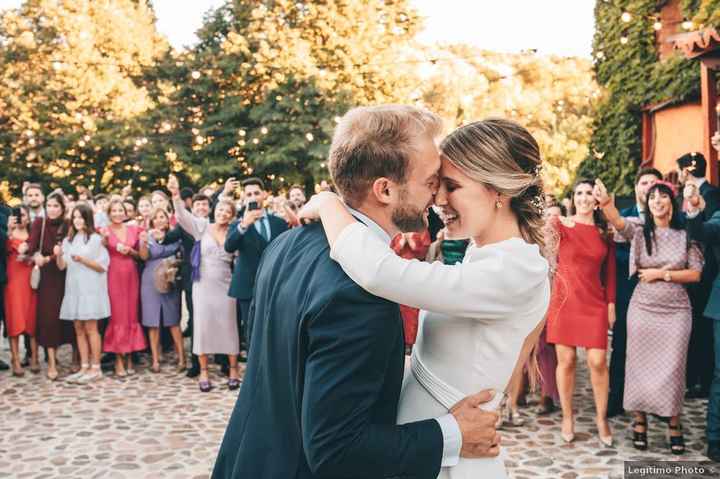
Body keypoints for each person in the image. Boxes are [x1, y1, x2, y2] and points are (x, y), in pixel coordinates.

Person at [213, 107, 515, 479]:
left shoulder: (287, 244)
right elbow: (337, 451)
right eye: (430, 181)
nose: (437, 195)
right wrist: (453, 434)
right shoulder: (358, 296)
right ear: (385, 189)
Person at [596, 179, 702, 455]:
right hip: (643, 309)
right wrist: (606, 203)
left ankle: (673, 424)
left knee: (673, 368)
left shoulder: (686, 233)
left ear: (671, 202)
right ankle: (639, 421)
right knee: (639, 366)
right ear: (648, 203)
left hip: (676, 310)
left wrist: (661, 274)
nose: (657, 201)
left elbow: (695, 273)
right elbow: (619, 223)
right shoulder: (641, 232)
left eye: (663, 196)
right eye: (652, 197)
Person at [546, 179, 616, 447]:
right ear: (573, 198)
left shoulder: (603, 231)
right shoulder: (559, 225)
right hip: (564, 303)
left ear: (596, 199)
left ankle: (601, 419)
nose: (584, 197)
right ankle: (567, 417)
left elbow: (609, 272)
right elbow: (545, 255)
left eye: (589, 193)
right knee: (567, 362)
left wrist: (611, 304)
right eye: (579, 193)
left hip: (594, 303)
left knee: (598, 361)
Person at [168, 175, 240, 392]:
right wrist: (175, 195)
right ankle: (204, 371)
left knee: (229, 326)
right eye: (220, 210)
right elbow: (182, 216)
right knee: (202, 326)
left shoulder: (234, 232)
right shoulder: (201, 227)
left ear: (231, 216)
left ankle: (234, 369)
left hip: (226, 284)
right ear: (214, 211)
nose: (222, 214)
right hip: (203, 285)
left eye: (227, 212)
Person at [608, 167, 662, 417]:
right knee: (621, 346)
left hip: (659, 296)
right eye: (644, 182)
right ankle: (616, 398)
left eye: (653, 182)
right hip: (627, 293)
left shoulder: (671, 220)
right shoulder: (622, 218)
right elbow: (613, 255)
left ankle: (657, 403)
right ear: (637, 188)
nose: (648, 186)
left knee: (658, 351)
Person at [225, 177, 288, 361]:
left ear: (264, 195)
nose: (253, 197)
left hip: (276, 284)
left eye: (256, 193)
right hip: (247, 286)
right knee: (251, 330)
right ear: (244, 198)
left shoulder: (279, 223)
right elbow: (229, 247)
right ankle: (255, 370)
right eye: (249, 194)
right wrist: (245, 225)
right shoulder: (237, 224)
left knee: (276, 328)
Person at [677, 152, 720, 399]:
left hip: (705, 272)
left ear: (687, 171)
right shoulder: (681, 194)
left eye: (681, 170)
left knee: (702, 330)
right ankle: (692, 378)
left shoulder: (711, 194)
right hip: (684, 267)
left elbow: (708, 233)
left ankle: (702, 382)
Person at [57, 203, 110, 383]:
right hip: (74, 288)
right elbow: (62, 265)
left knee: (91, 328)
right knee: (78, 328)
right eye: (75, 217)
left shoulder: (96, 239)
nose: (77, 220)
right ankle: (84, 366)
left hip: (91, 288)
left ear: (87, 218)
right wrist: (58, 255)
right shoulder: (68, 240)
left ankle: (96, 367)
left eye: (80, 217)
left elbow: (102, 266)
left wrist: (83, 259)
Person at [163, 193, 211, 378]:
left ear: (209, 207)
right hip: (193, 276)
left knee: (216, 317)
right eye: (198, 204)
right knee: (195, 319)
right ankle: (196, 362)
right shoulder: (185, 225)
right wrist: (160, 234)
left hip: (215, 277)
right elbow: (168, 238)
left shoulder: (215, 224)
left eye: (204, 204)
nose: (201, 207)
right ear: (193, 207)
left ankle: (222, 358)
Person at [29, 192, 74, 380]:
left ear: (62, 208)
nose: (52, 209)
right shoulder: (40, 223)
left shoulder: (69, 224)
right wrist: (35, 256)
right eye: (50, 205)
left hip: (67, 276)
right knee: (49, 319)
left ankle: (76, 359)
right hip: (48, 278)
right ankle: (52, 362)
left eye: (56, 206)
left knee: (70, 317)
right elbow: (32, 247)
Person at [101, 200, 147, 376]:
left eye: (121, 210)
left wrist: (132, 251)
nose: (118, 213)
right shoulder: (104, 230)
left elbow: (141, 256)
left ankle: (129, 356)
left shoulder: (134, 230)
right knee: (118, 316)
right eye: (114, 210)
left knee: (131, 314)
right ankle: (119, 359)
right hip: (113, 274)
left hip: (131, 274)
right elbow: (101, 250)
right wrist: (105, 242)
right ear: (109, 213)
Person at [140, 208, 185, 373]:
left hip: (170, 278)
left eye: (162, 217)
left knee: (173, 320)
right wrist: (143, 243)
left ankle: (182, 358)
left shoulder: (175, 235)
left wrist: (175, 266)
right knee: (153, 322)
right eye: (156, 218)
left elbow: (182, 255)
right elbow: (143, 256)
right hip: (150, 281)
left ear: (167, 219)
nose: (159, 220)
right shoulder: (148, 236)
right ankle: (155, 360)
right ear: (151, 221)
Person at [4, 205, 38, 376]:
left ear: (28, 218)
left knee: (31, 317)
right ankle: (15, 359)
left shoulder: (33, 235)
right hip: (13, 279)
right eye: (17, 215)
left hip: (29, 279)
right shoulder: (7, 234)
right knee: (14, 317)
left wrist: (30, 257)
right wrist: (8, 231)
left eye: (23, 215)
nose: (20, 218)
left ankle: (34, 357)